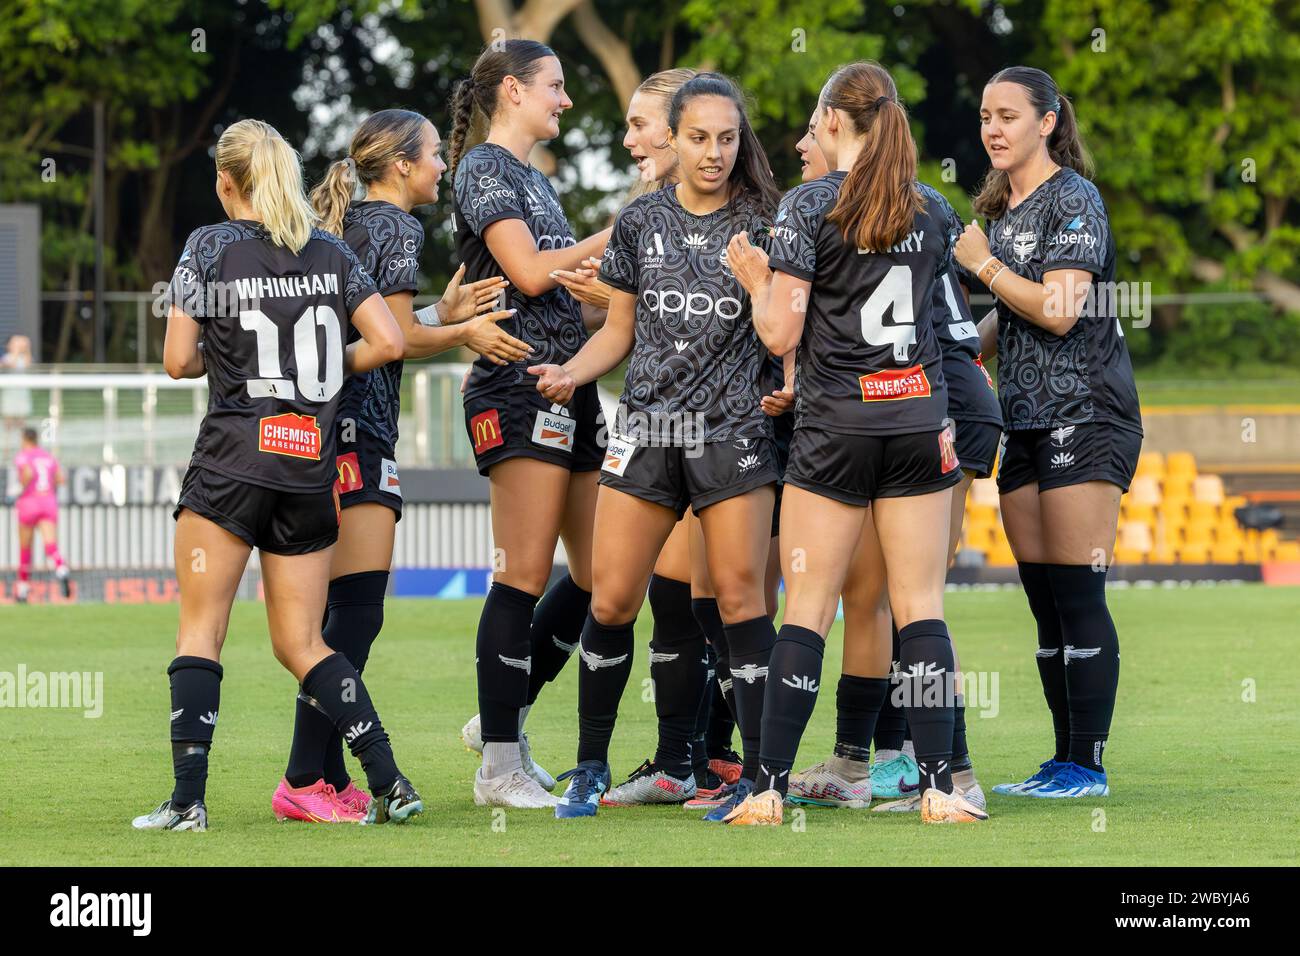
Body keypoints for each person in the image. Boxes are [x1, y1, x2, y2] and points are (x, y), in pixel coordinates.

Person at [131, 118, 420, 831]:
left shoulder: (208, 246)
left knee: (201, 629)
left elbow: (176, 360)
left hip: (231, 462)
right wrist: (312, 378)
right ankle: (389, 778)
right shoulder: (330, 249)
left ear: (227, 183)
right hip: (307, 468)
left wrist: (240, 370)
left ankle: (187, 802)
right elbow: (387, 341)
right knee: (304, 643)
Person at [723, 61, 987, 825]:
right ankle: (942, 786)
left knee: (807, 607)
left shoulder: (809, 205)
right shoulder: (932, 208)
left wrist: (752, 280)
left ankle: (767, 787)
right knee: (921, 608)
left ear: (835, 120)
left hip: (837, 429)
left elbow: (780, 331)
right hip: (918, 427)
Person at [529, 72, 782, 820]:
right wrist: (569, 373)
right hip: (647, 432)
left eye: (728, 139)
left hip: (732, 435)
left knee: (739, 601)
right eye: (700, 138)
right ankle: (588, 768)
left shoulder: (768, 222)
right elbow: (618, 329)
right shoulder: (640, 220)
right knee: (609, 599)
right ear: (672, 138)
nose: (714, 153)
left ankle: (760, 779)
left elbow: (788, 324)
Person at [271, 109, 521, 823]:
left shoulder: (345, 223)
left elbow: (378, 321)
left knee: (335, 614)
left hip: (319, 430)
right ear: (402, 165)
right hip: (359, 433)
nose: (444, 166)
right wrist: (461, 330)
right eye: (437, 154)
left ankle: (320, 775)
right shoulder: (396, 226)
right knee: (356, 611)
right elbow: (396, 337)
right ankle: (303, 777)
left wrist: (441, 314)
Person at [955, 66, 1141, 799]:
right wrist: (958, 355)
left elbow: (1061, 308)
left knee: (1079, 592)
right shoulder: (1007, 209)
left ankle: (1086, 764)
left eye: (1007, 115)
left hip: (1086, 416)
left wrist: (984, 264)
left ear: (1048, 121)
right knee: (1044, 599)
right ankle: (1059, 760)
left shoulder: (1075, 199)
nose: (992, 129)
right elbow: (1010, 316)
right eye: (983, 117)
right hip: (1023, 420)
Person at [448, 39, 613, 808]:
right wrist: (625, 230)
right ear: (512, 90)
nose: (566, 101)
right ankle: (500, 770)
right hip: (517, 387)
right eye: (555, 86)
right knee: (519, 573)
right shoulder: (483, 168)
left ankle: (499, 722)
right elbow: (526, 273)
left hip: (571, 387)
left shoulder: (535, 182)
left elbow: (563, 291)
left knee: (600, 575)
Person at [12, 427, 70, 603]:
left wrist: (19, 488)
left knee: (25, 548)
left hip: (29, 502)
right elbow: (61, 479)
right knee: (50, 544)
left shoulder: (23, 455)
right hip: (48, 502)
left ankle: (22, 589)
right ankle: (61, 568)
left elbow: (28, 473)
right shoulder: (48, 457)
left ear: (24, 439)